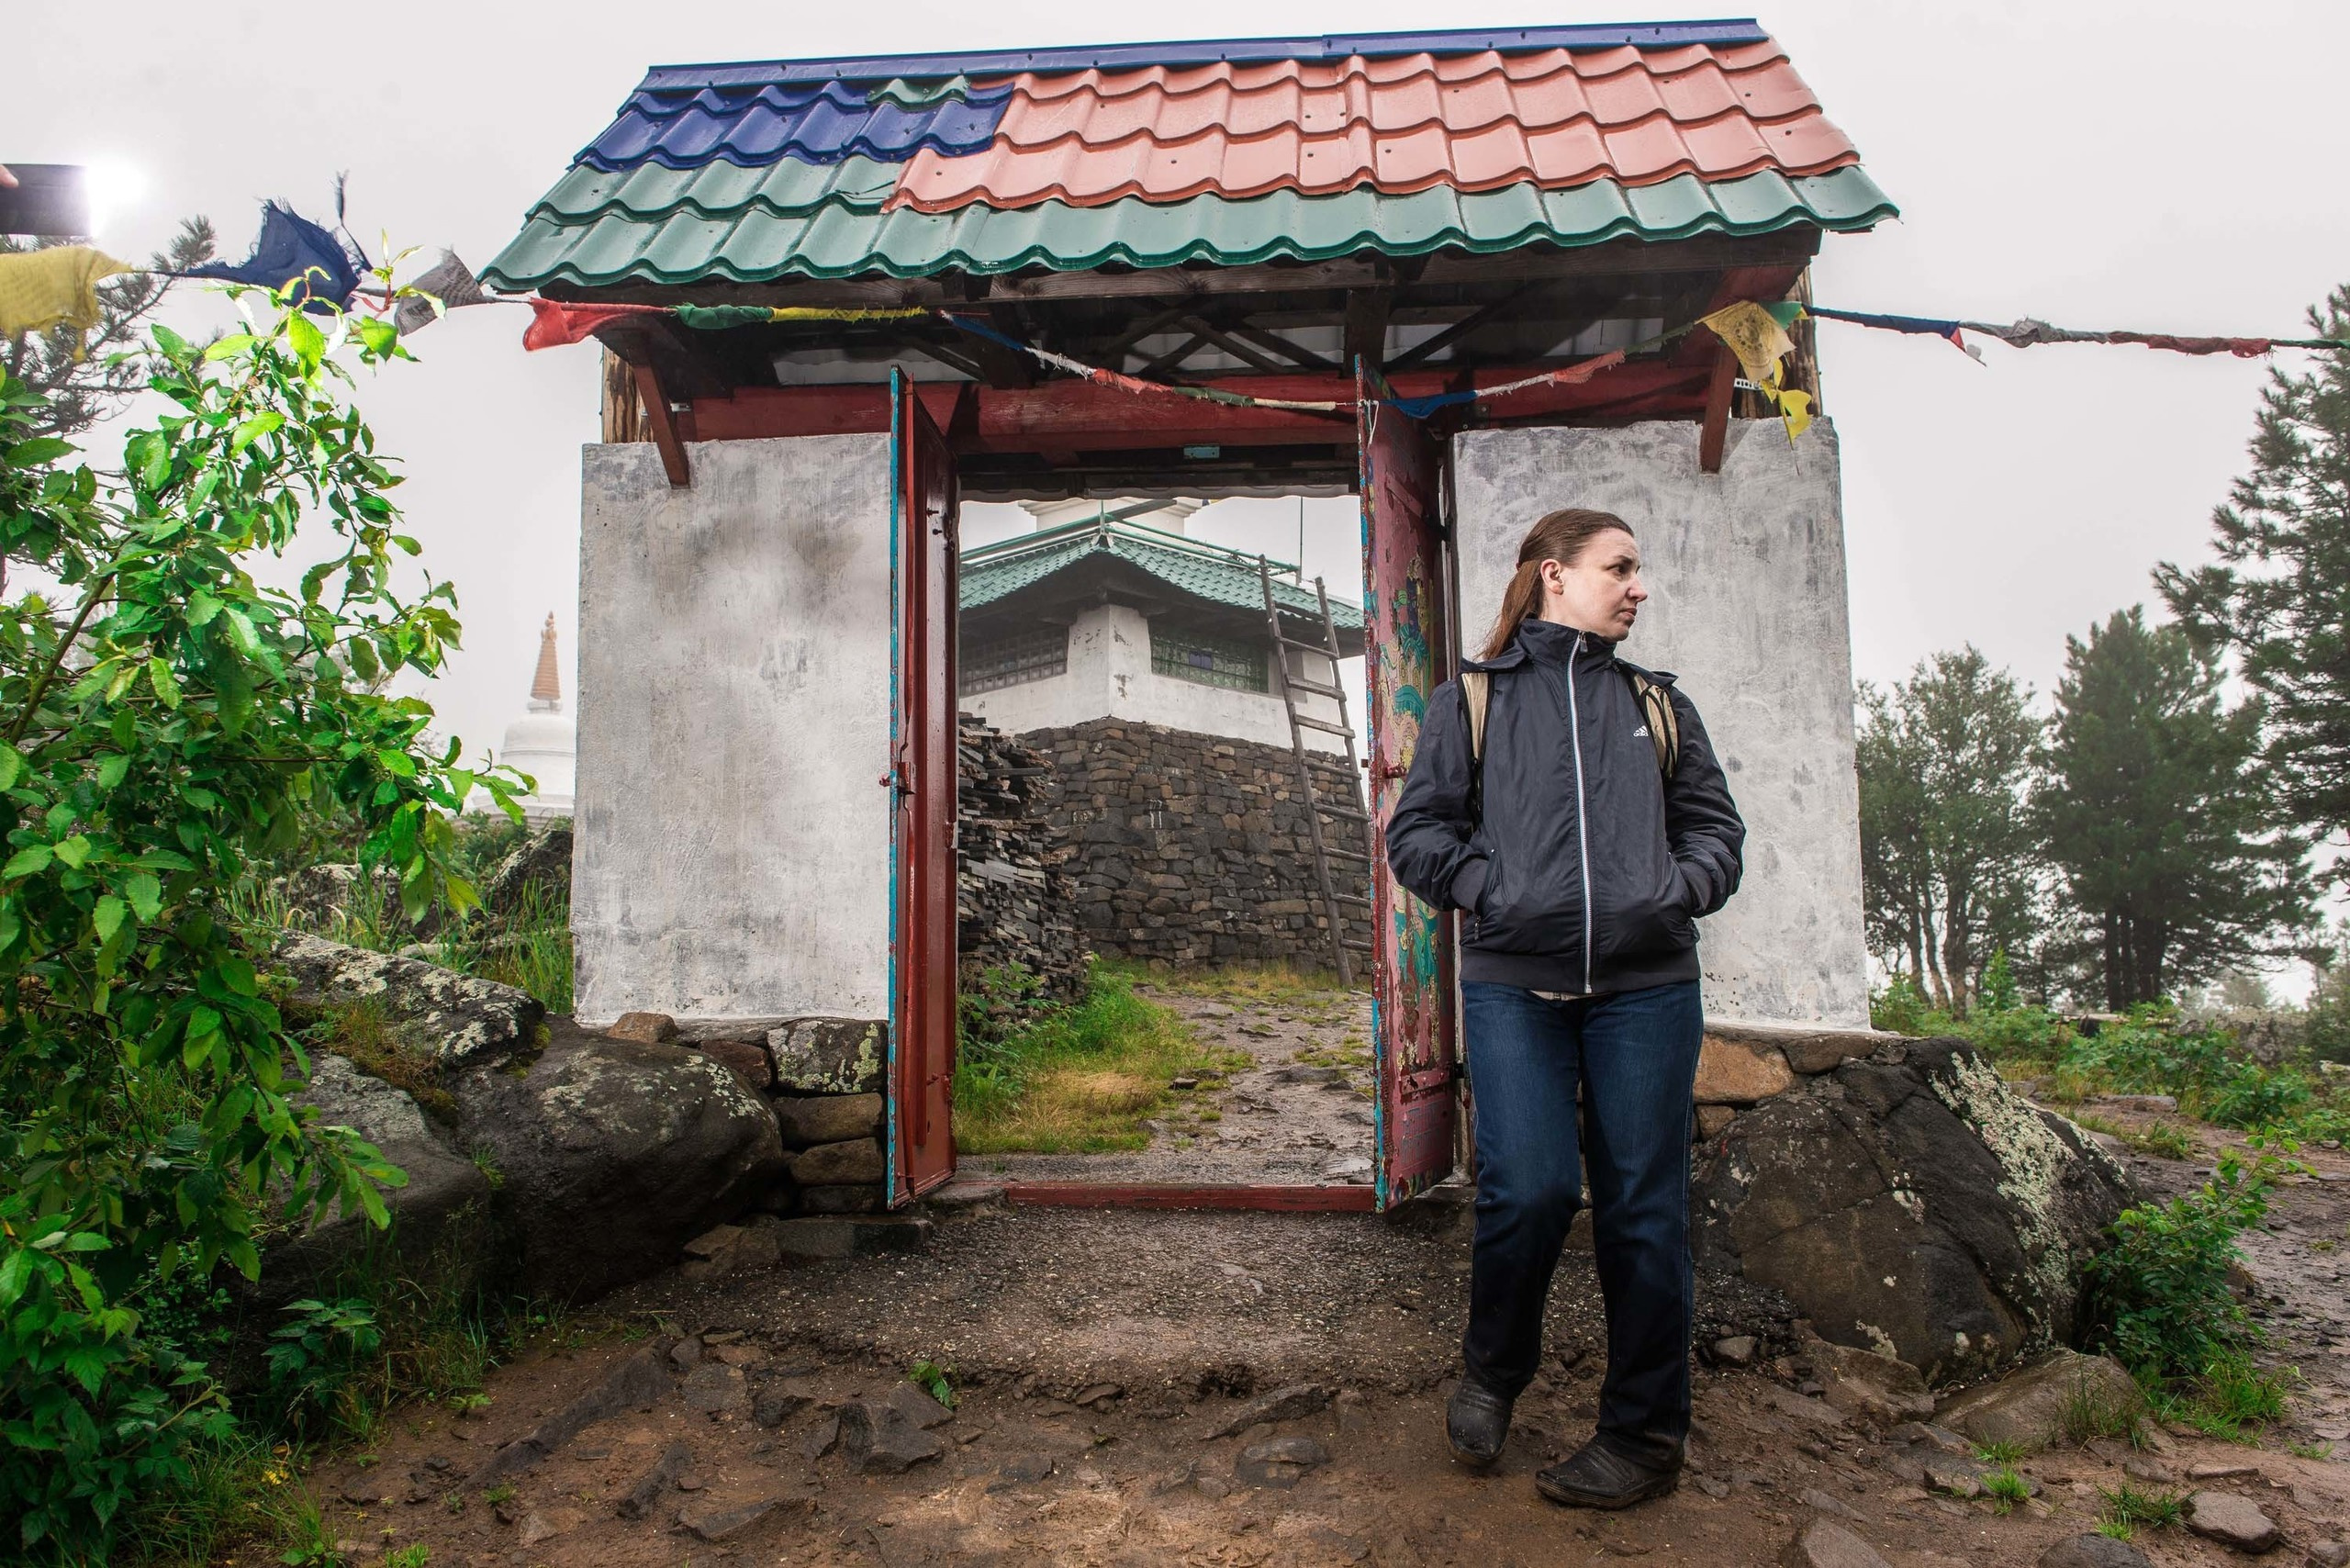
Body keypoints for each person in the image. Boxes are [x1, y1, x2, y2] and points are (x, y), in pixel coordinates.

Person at [1386, 507, 1745, 1509]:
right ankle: (1494, 1372)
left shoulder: (1659, 705)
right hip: (1515, 988)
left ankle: (1642, 1436)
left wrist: (1672, 889)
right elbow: (1416, 833)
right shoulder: (1473, 700)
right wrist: (1492, 891)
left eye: (1638, 570)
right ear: (1553, 574)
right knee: (1529, 1189)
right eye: (1619, 567)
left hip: (1647, 990)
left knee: (1642, 1212)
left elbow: (1716, 828)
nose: (1638, 586)